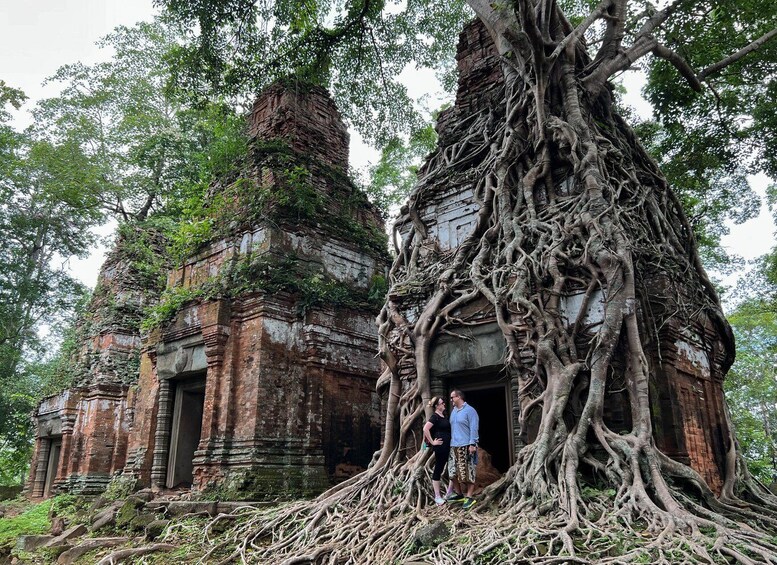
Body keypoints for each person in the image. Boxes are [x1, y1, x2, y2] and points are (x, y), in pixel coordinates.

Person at [446, 389, 479, 509]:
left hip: (466, 445)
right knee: (452, 472)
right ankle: (459, 494)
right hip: (453, 445)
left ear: (459, 397)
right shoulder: (454, 411)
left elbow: (474, 428)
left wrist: (473, 444)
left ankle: (469, 497)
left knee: (468, 471)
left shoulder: (470, 411)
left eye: (452, 397)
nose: (451, 400)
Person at [423, 396, 452, 505]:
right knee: (438, 469)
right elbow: (425, 428)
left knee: (452, 468)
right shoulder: (435, 417)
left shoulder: (443, 416)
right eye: (442, 403)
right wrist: (432, 442)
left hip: (449, 445)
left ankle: (449, 492)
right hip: (440, 447)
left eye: (443, 402)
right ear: (437, 406)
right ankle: (437, 496)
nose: (444, 404)